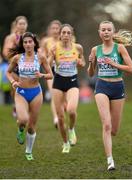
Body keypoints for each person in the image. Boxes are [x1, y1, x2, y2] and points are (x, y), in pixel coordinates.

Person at [87, 21, 132, 171]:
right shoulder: (95, 49)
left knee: (114, 130)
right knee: (106, 125)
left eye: (108, 30)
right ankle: (110, 160)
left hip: (117, 87)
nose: (106, 32)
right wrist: (91, 64)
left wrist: (115, 64)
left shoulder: (119, 48)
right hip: (101, 86)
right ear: (99, 32)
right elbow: (90, 74)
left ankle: (110, 150)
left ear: (113, 32)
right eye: (103, 30)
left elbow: (131, 69)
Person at [6, 32, 53, 160]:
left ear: (34, 43)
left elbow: (50, 75)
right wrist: (13, 82)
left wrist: (42, 75)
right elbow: (8, 72)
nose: (27, 44)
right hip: (21, 92)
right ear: (23, 44)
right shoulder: (17, 58)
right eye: (25, 42)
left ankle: (28, 151)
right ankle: (20, 129)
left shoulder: (41, 57)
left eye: (30, 42)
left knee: (32, 126)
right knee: (23, 120)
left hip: (36, 93)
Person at [48, 24, 85, 153]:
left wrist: (81, 63)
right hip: (58, 81)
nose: (65, 35)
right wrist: (52, 56)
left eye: (68, 33)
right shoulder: (54, 48)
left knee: (71, 110)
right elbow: (47, 66)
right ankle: (65, 143)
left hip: (72, 81)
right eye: (63, 32)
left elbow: (82, 62)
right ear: (60, 35)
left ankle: (71, 129)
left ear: (71, 34)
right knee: (60, 117)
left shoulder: (78, 47)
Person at [3, 16, 28, 117]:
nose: (22, 26)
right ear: (16, 25)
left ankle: (24, 107)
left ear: (27, 25)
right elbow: (5, 52)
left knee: (26, 87)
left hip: (26, 67)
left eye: (24, 24)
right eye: (20, 24)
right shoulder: (11, 38)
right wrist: (15, 53)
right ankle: (15, 105)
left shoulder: (29, 37)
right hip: (14, 67)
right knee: (15, 89)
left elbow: (37, 50)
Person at [40, 20, 62, 128]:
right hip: (51, 70)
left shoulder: (66, 40)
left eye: (57, 28)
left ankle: (61, 113)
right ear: (50, 30)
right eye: (53, 28)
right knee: (53, 94)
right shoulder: (45, 41)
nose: (55, 30)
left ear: (60, 29)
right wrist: (49, 56)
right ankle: (56, 118)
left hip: (64, 71)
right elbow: (42, 57)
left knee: (62, 96)